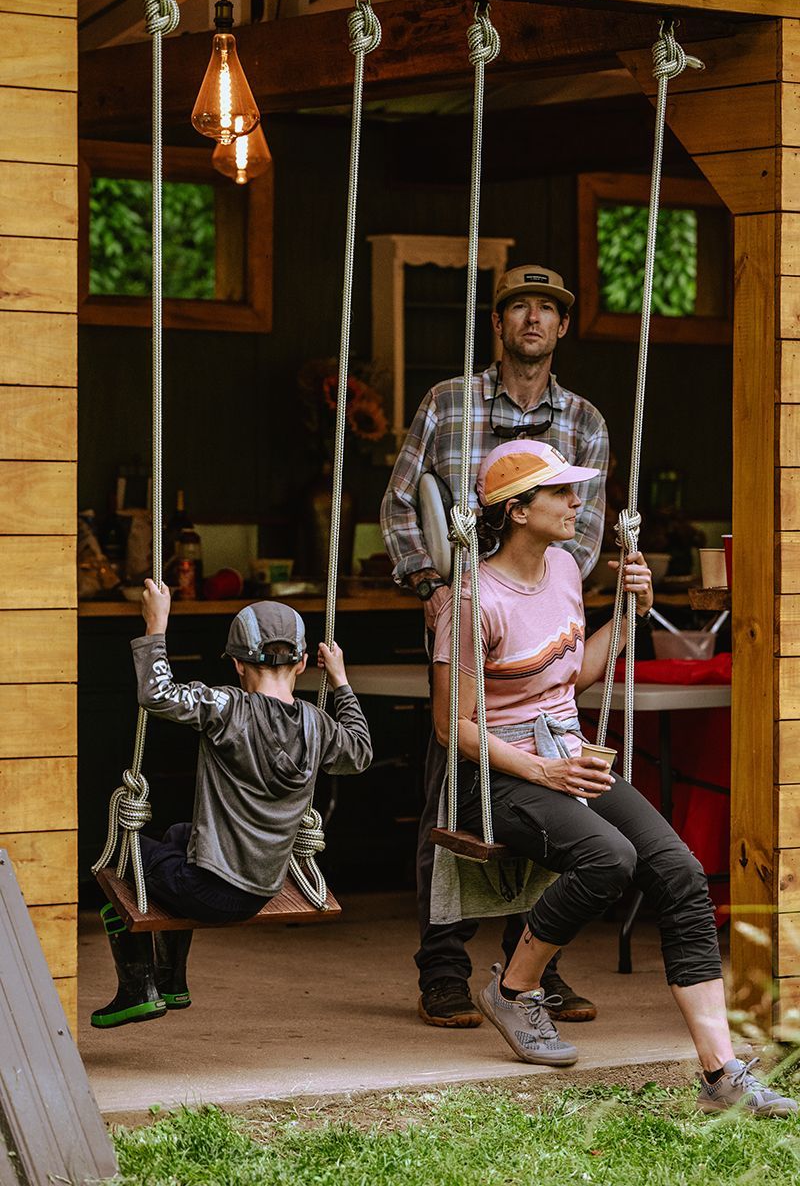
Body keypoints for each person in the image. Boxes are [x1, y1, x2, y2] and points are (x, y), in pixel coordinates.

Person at [432, 440, 797, 1117]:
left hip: (568, 757)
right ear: (517, 510)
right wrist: (540, 767)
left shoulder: (567, 570)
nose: (578, 503)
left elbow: (581, 673)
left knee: (679, 871)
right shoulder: (468, 599)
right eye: (561, 493)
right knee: (609, 858)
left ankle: (722, 1074)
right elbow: (454, 726)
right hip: (502, 773)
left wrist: (626, 617)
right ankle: (514, 991)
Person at [381, 264, 608, 1028]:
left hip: (539, 638)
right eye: (521, 308)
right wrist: (432, 586)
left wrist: (549, 596)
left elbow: (590, 531)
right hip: (468, 621)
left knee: (549, 796)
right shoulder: (448, 402)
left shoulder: (585, 420)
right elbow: (399, 503)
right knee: (452, 790)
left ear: (563, 326)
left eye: (549, 308)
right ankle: (443, 971)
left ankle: (531, 967)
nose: (535, 320)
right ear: (500, 322)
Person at [91, 587, 372, 1029]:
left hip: (209, 890)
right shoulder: (318, 725)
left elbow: (156, 693)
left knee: (124, 859)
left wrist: (156, 625)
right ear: (301, 664)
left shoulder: (227, 707)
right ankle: (173, 982)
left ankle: (138, 989)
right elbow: (359, 751)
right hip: (260, 891)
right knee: (180, 834)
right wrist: (340, 680)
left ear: (238, 664)